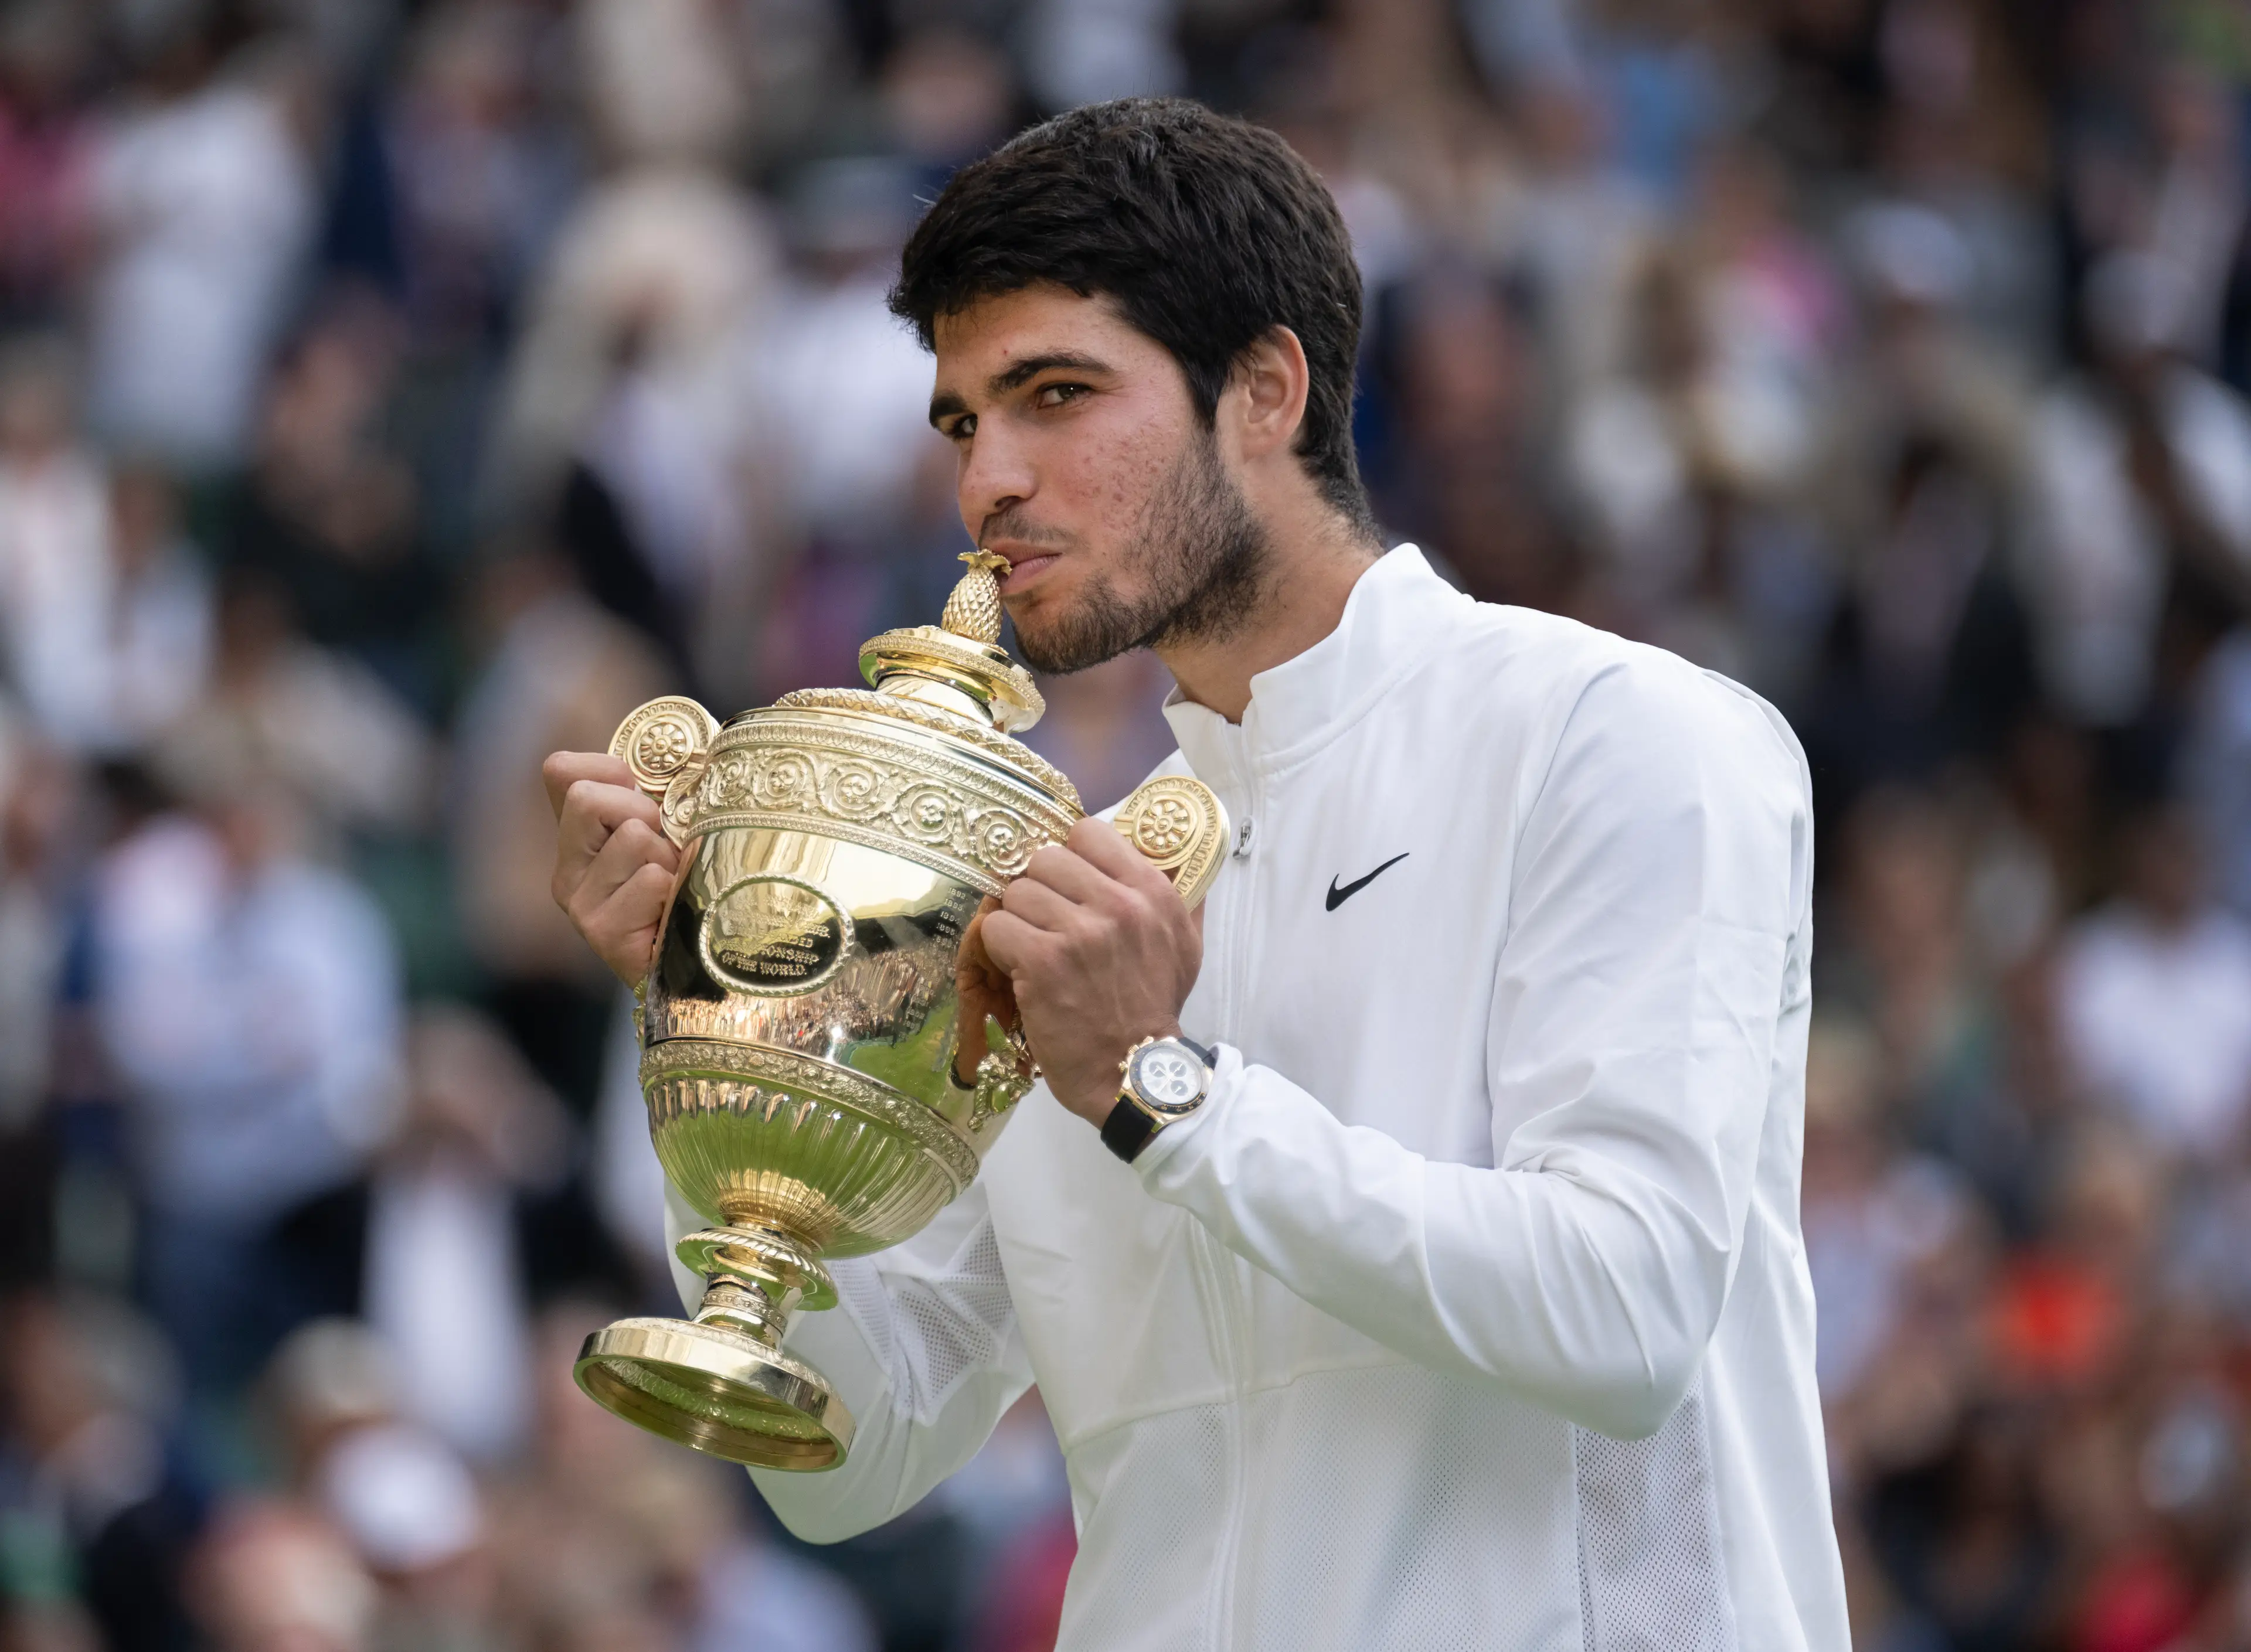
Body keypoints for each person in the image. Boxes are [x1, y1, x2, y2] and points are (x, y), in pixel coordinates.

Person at [545, 98, 1847, 1650]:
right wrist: (722, 1021)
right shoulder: (1052, 890)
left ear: (1265, 392)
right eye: (962, 423)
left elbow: (1623, 1309)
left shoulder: (1618, 735)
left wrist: (1161, 1095)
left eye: (1056, 394)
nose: (987, 482)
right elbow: (856, 1450)